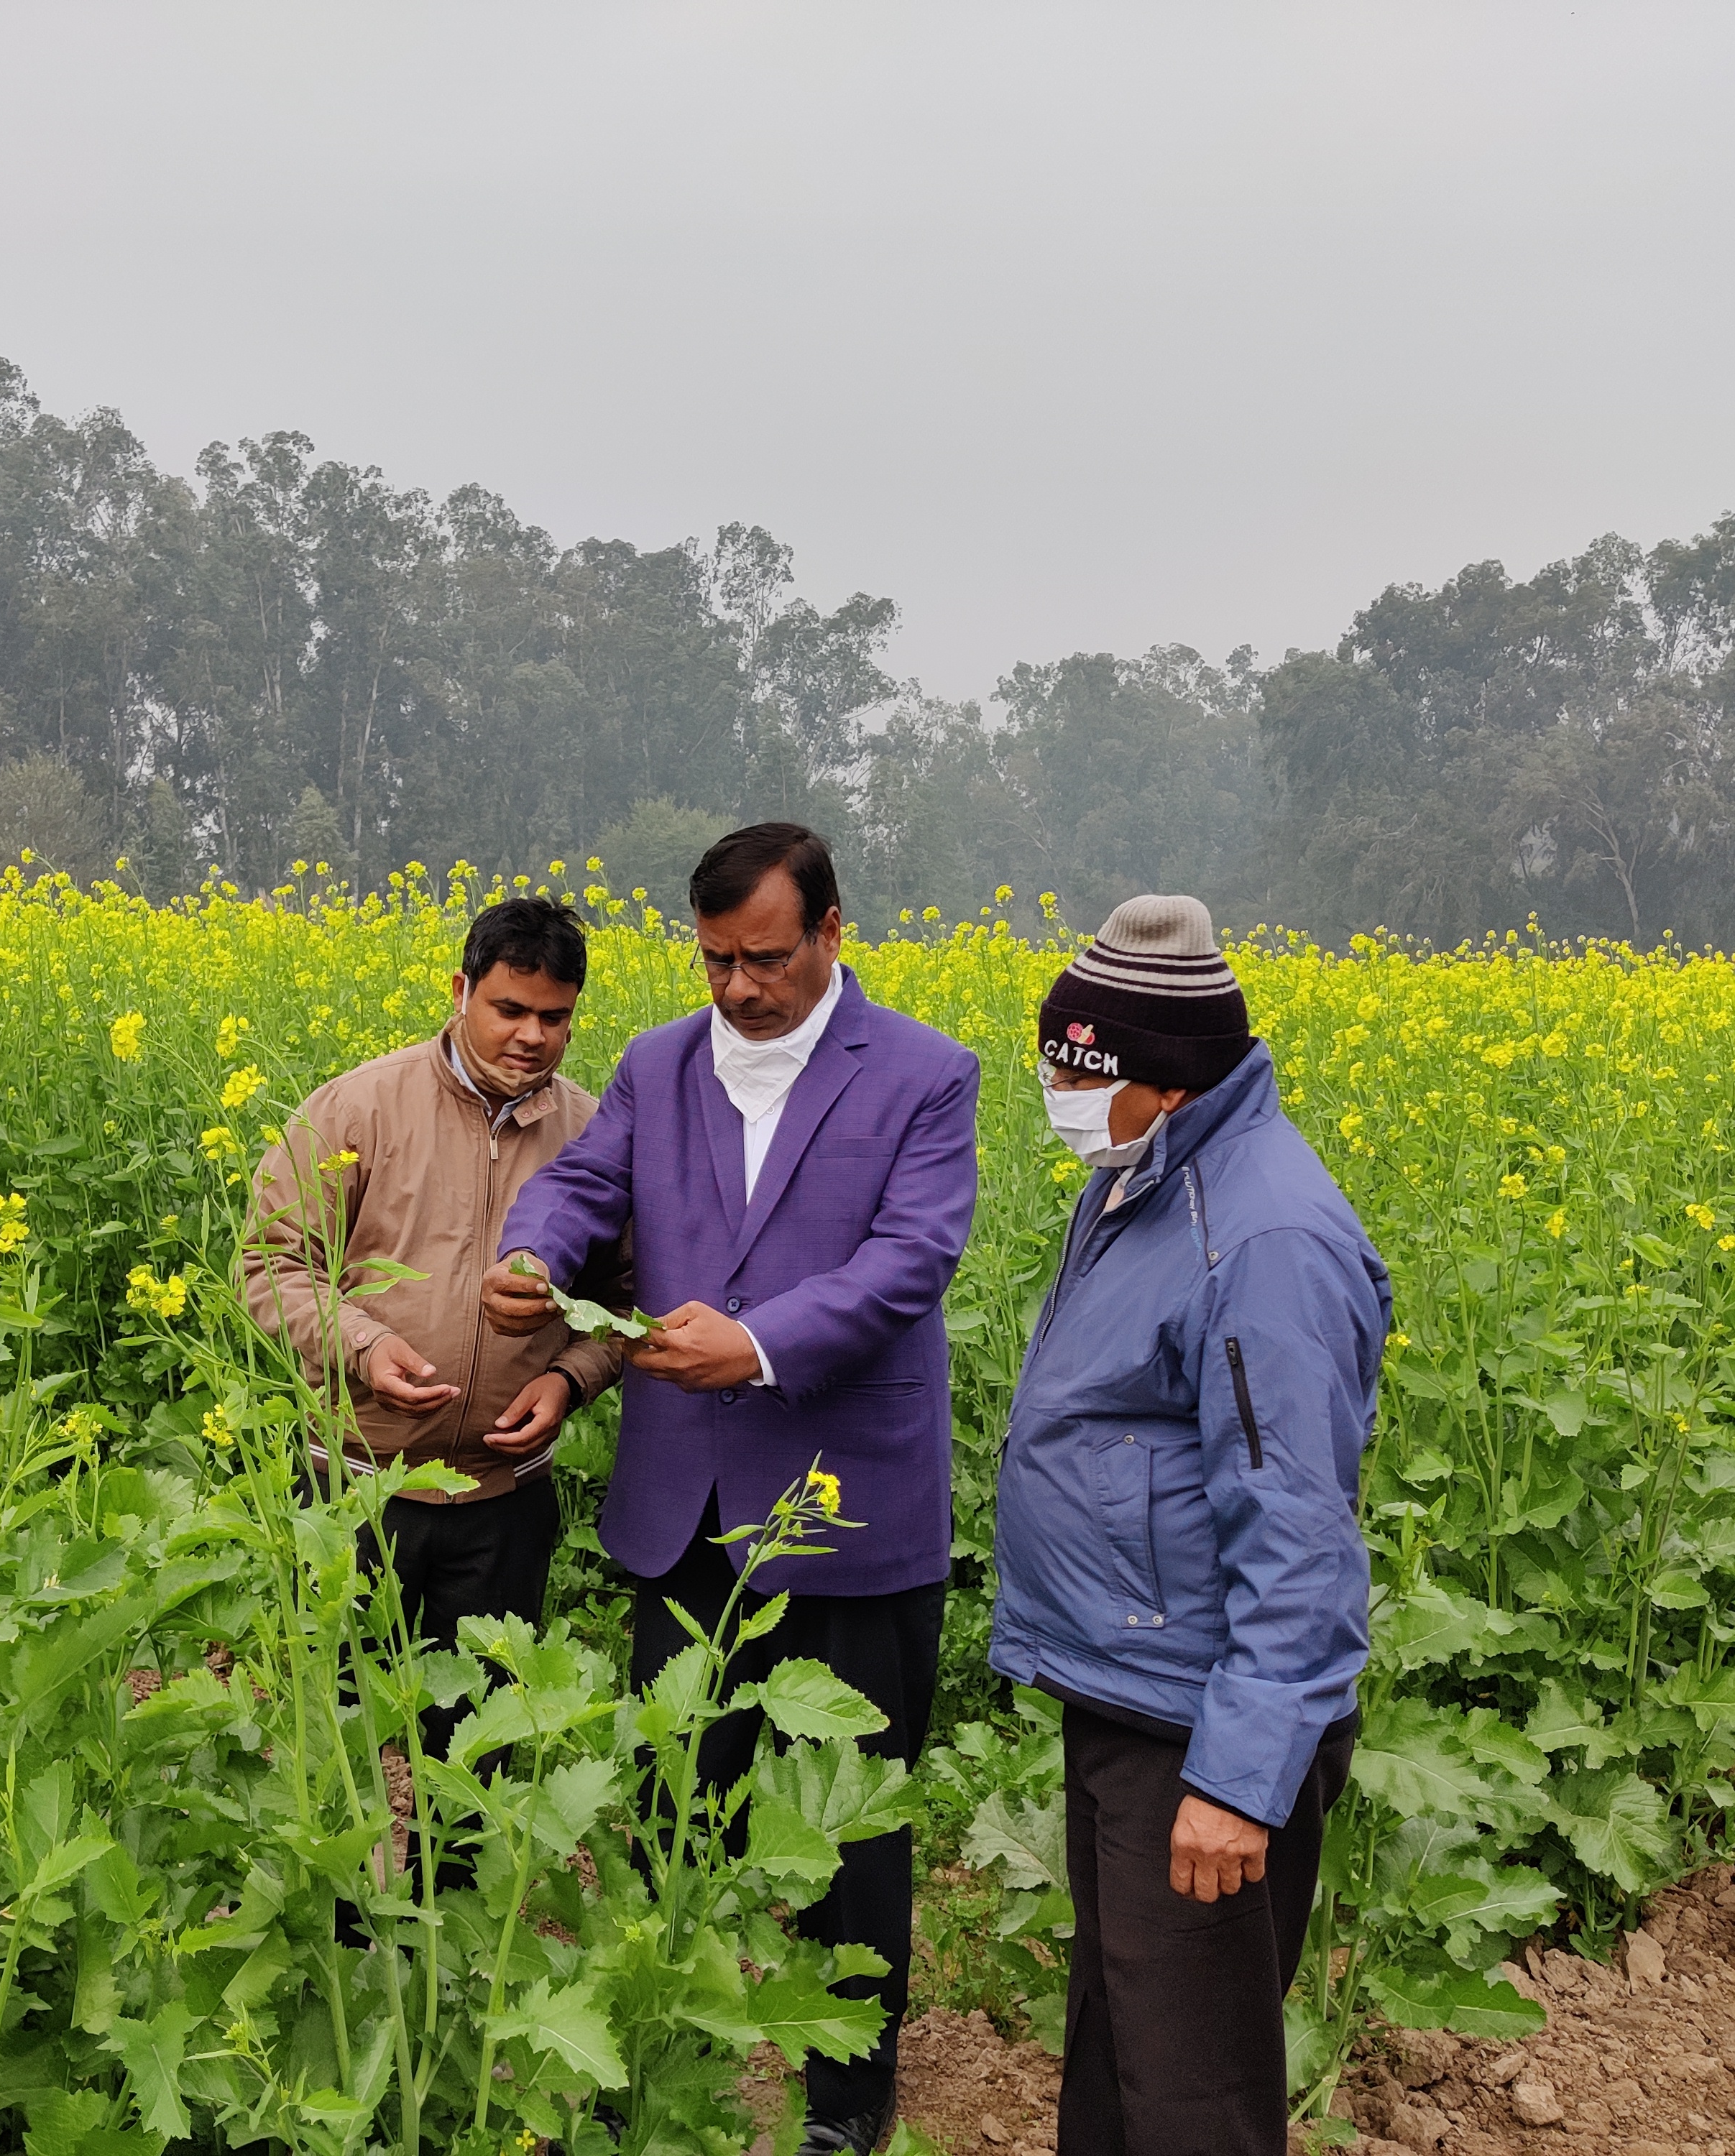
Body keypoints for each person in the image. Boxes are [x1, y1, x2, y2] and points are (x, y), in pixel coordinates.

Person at [484, 823, 980, 2156]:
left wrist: (757, 1346)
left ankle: (847, 2101)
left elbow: (908, 1262)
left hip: (846, 1499)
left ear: (830, 932)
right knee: (666, 1804)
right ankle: (662, 2061)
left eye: (766, 958)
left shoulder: (927, 1075)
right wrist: (534, 1255)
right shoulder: (658, 1061)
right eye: (715, 960)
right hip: (684, 1502)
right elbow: (583, 1185)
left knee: (854, 1818)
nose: (740, 988)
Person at [988, 893, 1389, 2156]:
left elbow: (1299, 1535)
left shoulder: (1262, 1237)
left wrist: (1237, 1777)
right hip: (1136, 1684)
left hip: (1201, 1721)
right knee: (1123, 2053)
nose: (1051, 1084)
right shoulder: (1148, 1172)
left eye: (1072, 1065)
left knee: (1194, 2095)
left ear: (1158, 1079)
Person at [241, 895, 631, 1770]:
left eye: (555, 1018)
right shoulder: (359, 1108)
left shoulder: (593, 1134)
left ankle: (455, 1903)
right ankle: (345, 1912)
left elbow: (628, 1298)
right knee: (337, 1748)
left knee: (475, 1757)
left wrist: (570, 1378)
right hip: (356, 1486)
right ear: (460, 991)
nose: (532, 1036)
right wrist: (363, 1346)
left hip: (505, 1495)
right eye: (509, 1009)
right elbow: (270, 1263)